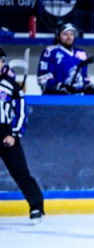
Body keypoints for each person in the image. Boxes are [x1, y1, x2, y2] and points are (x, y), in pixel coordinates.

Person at [0, 47, 45, 223]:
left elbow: (21, 112)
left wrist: (14, 134)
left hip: (6, 134)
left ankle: (36, 206)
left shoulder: (11, 86)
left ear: (3, 63)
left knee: (20, 172)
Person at [37, 23, 94, 95]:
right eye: (65, 34)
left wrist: (87, 85)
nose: (69, 37)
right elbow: (43, 78)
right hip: (55, 100)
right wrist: (58, 87)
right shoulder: (50, 51)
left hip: (77, 99)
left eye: (71, 34)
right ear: (58, 36)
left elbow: (84, 77)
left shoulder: (81, 54)